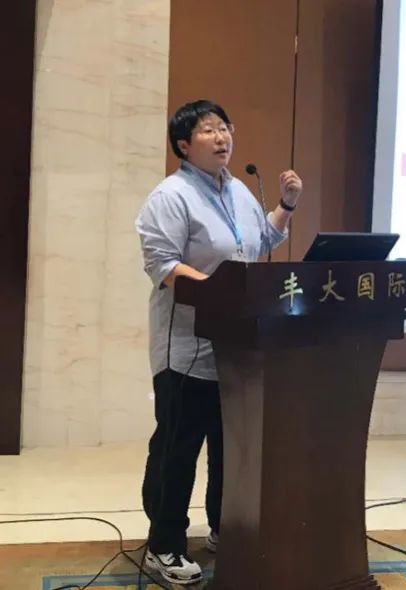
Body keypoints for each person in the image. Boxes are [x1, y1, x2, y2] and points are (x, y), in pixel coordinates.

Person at [135, 99, 303, 585]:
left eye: (224, 127)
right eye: (208, 130)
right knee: (178, 450)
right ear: (184, 145)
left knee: (229, 450)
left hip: (236, 349)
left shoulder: (239, 191)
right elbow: (163, 264)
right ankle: (164, 545)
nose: (222, 136)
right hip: (186, 348)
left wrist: (286, 206)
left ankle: (222, 529)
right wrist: (219, 294)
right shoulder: (170, 196)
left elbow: (260, 243)